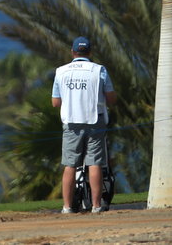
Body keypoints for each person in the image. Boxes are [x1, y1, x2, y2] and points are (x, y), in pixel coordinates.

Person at [52, 35, 116, 214]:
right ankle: (96, 206)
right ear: (90, 52)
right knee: (95, 163)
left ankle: (67, 207)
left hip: (71, 123)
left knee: (70, 164)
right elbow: (111, 98)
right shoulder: (99, 70)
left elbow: (55, 102)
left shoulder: (60, 71)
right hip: (95, 120)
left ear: (72, 52)